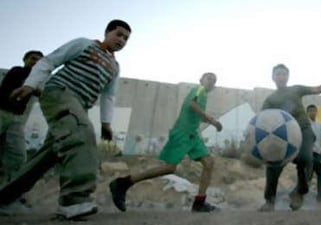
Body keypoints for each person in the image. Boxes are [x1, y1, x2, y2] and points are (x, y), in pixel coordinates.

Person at [1, 19, 131, 219]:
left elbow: (108, 96)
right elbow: (49, 61)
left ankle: (5, 198)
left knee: (46, 157)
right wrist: (30, 84)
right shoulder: (84, 44)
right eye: (119, 34)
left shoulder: (114, 66)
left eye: (126, 38)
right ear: (107, 32)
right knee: (81, 135)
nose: (122, 40)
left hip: (80, 106)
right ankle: (74, 201)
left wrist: (106, 123)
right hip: (60, 93)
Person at [109, 72, 223, 213]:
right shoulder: (198, 89)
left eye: (214, 80)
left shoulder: (203, 96)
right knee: (169, 168)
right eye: (208, 77)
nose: (211, 80)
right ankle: (123, 183)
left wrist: (214, 123)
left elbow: (196, 113)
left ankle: (199, 202)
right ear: (201, 80)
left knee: (209, 163)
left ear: (213, 87)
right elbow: (192, 105)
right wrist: (211, 119)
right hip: (182, 133)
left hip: (193, 135)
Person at [259, 64, 321, 211]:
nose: (281, 76)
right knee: (273, 164)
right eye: (278, 74)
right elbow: (262, 120)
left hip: (303, 130)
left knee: (305, 159)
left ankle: (298, 194)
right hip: (284, 135)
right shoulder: (270, 100)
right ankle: (269, 201)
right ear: (273, 77)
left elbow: (317, 89)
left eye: (283, 74)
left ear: (287, 76)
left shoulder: (296, 89)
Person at [0, 50, 43, 208]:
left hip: (16, 120)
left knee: (17, 157)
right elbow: (29, 86)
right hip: (2, 112)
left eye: (39, 61)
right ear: (25, 59)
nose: (35, 62)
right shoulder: (18, 71)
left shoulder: (36, 80)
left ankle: (10, 195)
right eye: (32, 59)